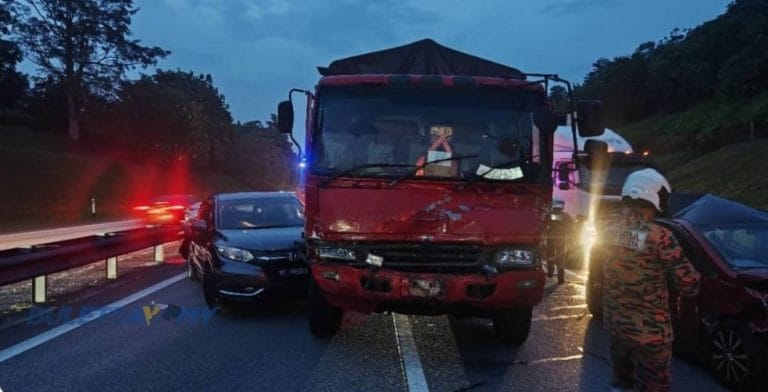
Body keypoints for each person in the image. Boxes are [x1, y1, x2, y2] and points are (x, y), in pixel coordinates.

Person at [598, 168, 700, 392]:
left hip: (617, 327)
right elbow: (689, 284)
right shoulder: (660, 236)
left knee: (622, 383)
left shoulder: (607, 230)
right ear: (652, 196)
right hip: (650, 333)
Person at [547, 198, 570, 284]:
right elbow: (571, 228)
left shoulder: (549, 215)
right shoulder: (566, 216)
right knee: (560, 258)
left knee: (550, 256)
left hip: (551, 239)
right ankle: (560, 277)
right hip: (561, 239)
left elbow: (545, 225)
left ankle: (550, 272)